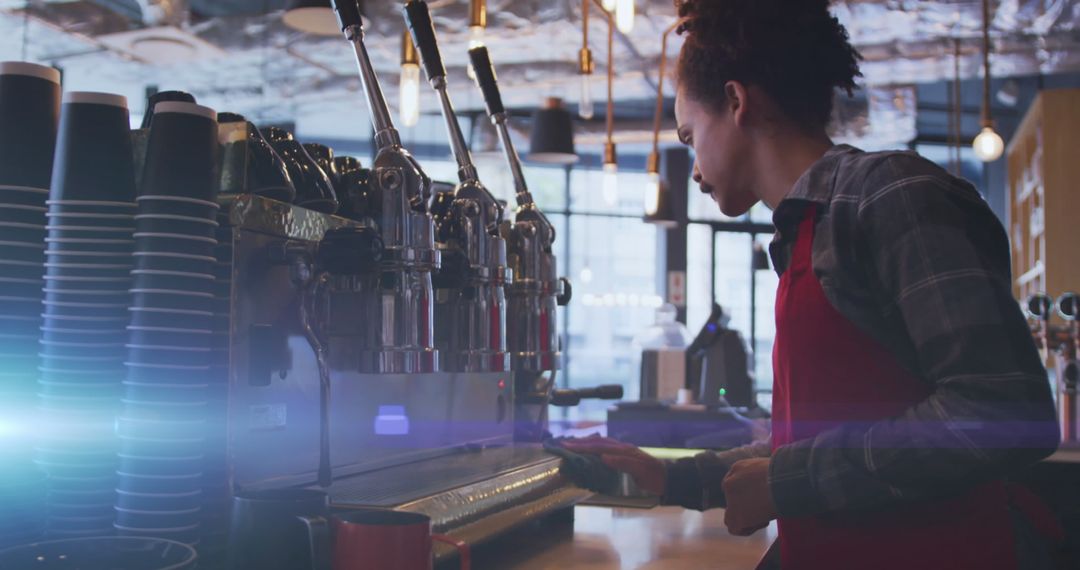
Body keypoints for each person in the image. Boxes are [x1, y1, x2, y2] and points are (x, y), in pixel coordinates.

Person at [561, 1, 1063, 568]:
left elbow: (1003, 412)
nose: (694, 167)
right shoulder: (805, 233)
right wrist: (670, 476)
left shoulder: (889, 194)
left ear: (735, 101)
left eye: (688, 135)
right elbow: (822, 446)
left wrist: (787, 482)